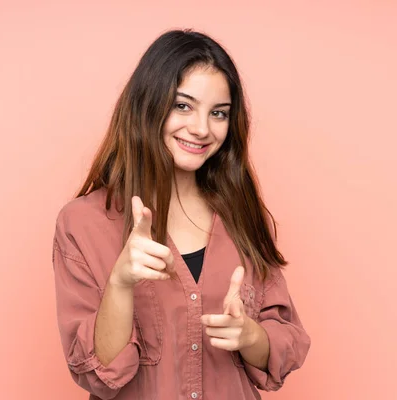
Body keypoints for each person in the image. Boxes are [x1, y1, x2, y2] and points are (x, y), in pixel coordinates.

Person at [51, 29, 311, 400]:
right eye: (183, 106)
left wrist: (250, 336)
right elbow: (100, 374)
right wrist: (121, 283)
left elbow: (286, 339)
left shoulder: (242, 216)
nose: (202, 129)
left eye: (218, 113)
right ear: (147, 105)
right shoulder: (82, 224)